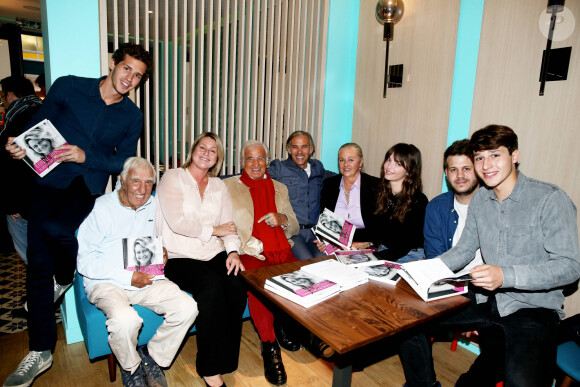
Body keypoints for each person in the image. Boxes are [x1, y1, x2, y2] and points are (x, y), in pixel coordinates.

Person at [3, 43, 152, 387]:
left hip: (85, 184)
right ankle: (40, 352)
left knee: (59, 229)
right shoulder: (69, 86)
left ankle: (66, 275)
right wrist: (17, 147)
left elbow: (125, 162)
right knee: (38, 265)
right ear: (114, 63)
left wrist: (87, 157)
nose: (130, 79)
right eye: (127, 69)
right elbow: (37, 127)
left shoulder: (132, 116)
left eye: (138, 76)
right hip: (46, 179)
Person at [398, 125, 580, 387]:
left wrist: (506, 275)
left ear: (514, 156)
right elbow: (463, 250)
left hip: (534, 309)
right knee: (408, 319)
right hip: (487, 298)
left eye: (495, 155)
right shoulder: (481, 199)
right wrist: (421, 272)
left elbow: (569, 268)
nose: (486, 165)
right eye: (480, 157)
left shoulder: (550, 199)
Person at [77, 157, 197, 387]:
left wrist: (163, 252)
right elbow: (85, 261)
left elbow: (163, 238)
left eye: (148, 182)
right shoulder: (99, 208)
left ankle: (152, 357)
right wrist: (126, 276)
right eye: (135, 181)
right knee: (125, 320)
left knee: (187, 307)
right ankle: (131, 368)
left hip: (146, 277)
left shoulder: (153, 204)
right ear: (122, 180)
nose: (142, 189)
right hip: (106, 283)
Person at [156, 132, 246, 387]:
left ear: (218, 158)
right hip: (179, 255)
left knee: (238, 286)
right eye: (202, 147)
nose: (206, 153)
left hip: (211, 252)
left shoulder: (219, 185)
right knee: (211, 287)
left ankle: (225, 360)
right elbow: (177, 222)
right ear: (193, 150)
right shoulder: (172, 178)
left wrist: (232, 252)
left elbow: (229, 225)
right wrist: (214, 230)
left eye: (213, 150)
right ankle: (208, 368)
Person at [224, 140, 300, 386]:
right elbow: (223, 225)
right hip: (250, 253)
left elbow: (295, 225)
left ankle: (286, 325)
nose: (256, 164)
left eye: (260, 158)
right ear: (242, 162)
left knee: (302, 280)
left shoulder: (280, 187)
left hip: (280, 250)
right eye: (250, 159)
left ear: (267, 160)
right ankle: (270, 347)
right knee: (259, 292)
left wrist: (283, 218)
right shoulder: (227, 187)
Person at [268, 131, 334, 260]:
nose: (299, 152)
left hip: (316, 233)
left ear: (311, 149)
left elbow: (337, 178)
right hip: (293, 233)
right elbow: (257, 177)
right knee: (307, 263)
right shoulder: (279, 168)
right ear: (288, 149)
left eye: (304, 146)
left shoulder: (317, 167)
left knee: (326, 261)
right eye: (295, 147)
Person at [0, 75, 42, 264]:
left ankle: (45, 291)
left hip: (23, 202)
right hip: (45, 198)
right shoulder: (43, 113)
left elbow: (12, 168)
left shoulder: (17, 118)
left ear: (9, 95)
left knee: (31, 256)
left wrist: (12, 204)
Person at [363, 143, 428, 262]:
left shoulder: (418, 200)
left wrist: (373, 259)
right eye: (389, 160)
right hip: (384, 251)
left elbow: (403, 246)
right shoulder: (379, 193)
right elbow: (373, 231)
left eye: (398, 164)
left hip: (410, 255)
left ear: (409, 171)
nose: (389, 166)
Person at [317, 143, 379, 251]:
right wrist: (324, 241)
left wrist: (368, 242)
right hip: (336, 245)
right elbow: (325, 220)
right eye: (342, 160)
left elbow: (382, 226)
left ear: (360, 162)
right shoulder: (329, 184)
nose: (345, 164)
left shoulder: (375, 186)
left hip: (366, 245)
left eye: (351, 160)